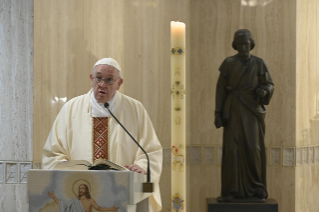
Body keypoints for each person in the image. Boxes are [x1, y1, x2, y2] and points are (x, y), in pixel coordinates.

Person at [43, 58, 163, 211]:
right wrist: (68, 170)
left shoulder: (134, 109)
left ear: (119, 83)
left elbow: (150, 150)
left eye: (109, 80)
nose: (102, 85)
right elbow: (53, 153)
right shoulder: (71, 109)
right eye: (98, 78)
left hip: (121, 192)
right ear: (91, 78)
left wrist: (142, 166)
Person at [214, 29, 274, 202]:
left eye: (246, 43)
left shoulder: (259, 63)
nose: (243, 47)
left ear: (251, 44)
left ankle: (257, 189)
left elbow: (269, 84)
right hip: (232, 110)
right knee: (232, 150)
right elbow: (220, 90)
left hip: (252, 110)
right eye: (239, 44)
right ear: (235, 45)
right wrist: (217, 113)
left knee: (253, 148)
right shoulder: (228, 63)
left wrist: (265, 90)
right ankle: (231, 191)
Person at [48, 184, 119, 212]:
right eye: (79, 188)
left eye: (83, 188)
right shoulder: (75, 200)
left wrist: (111, 209)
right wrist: (54, 197)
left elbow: (99, 208)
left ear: (86, 190)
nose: (81, 190)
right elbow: (62, 204)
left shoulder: (90, 200)